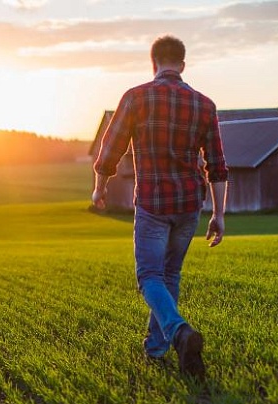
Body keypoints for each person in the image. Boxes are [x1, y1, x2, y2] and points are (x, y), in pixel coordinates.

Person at [92, 35, 228, 380]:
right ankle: (156, 348)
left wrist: (99, 189)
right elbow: (217, 166)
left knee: (150, 277)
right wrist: (218, 214)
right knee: (169, 275)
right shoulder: (205, 105)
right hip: (189, 204)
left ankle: (179, 332)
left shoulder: (136, 97)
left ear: (153, 63)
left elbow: (110, 150)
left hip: (153, 202)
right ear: (182, 65)